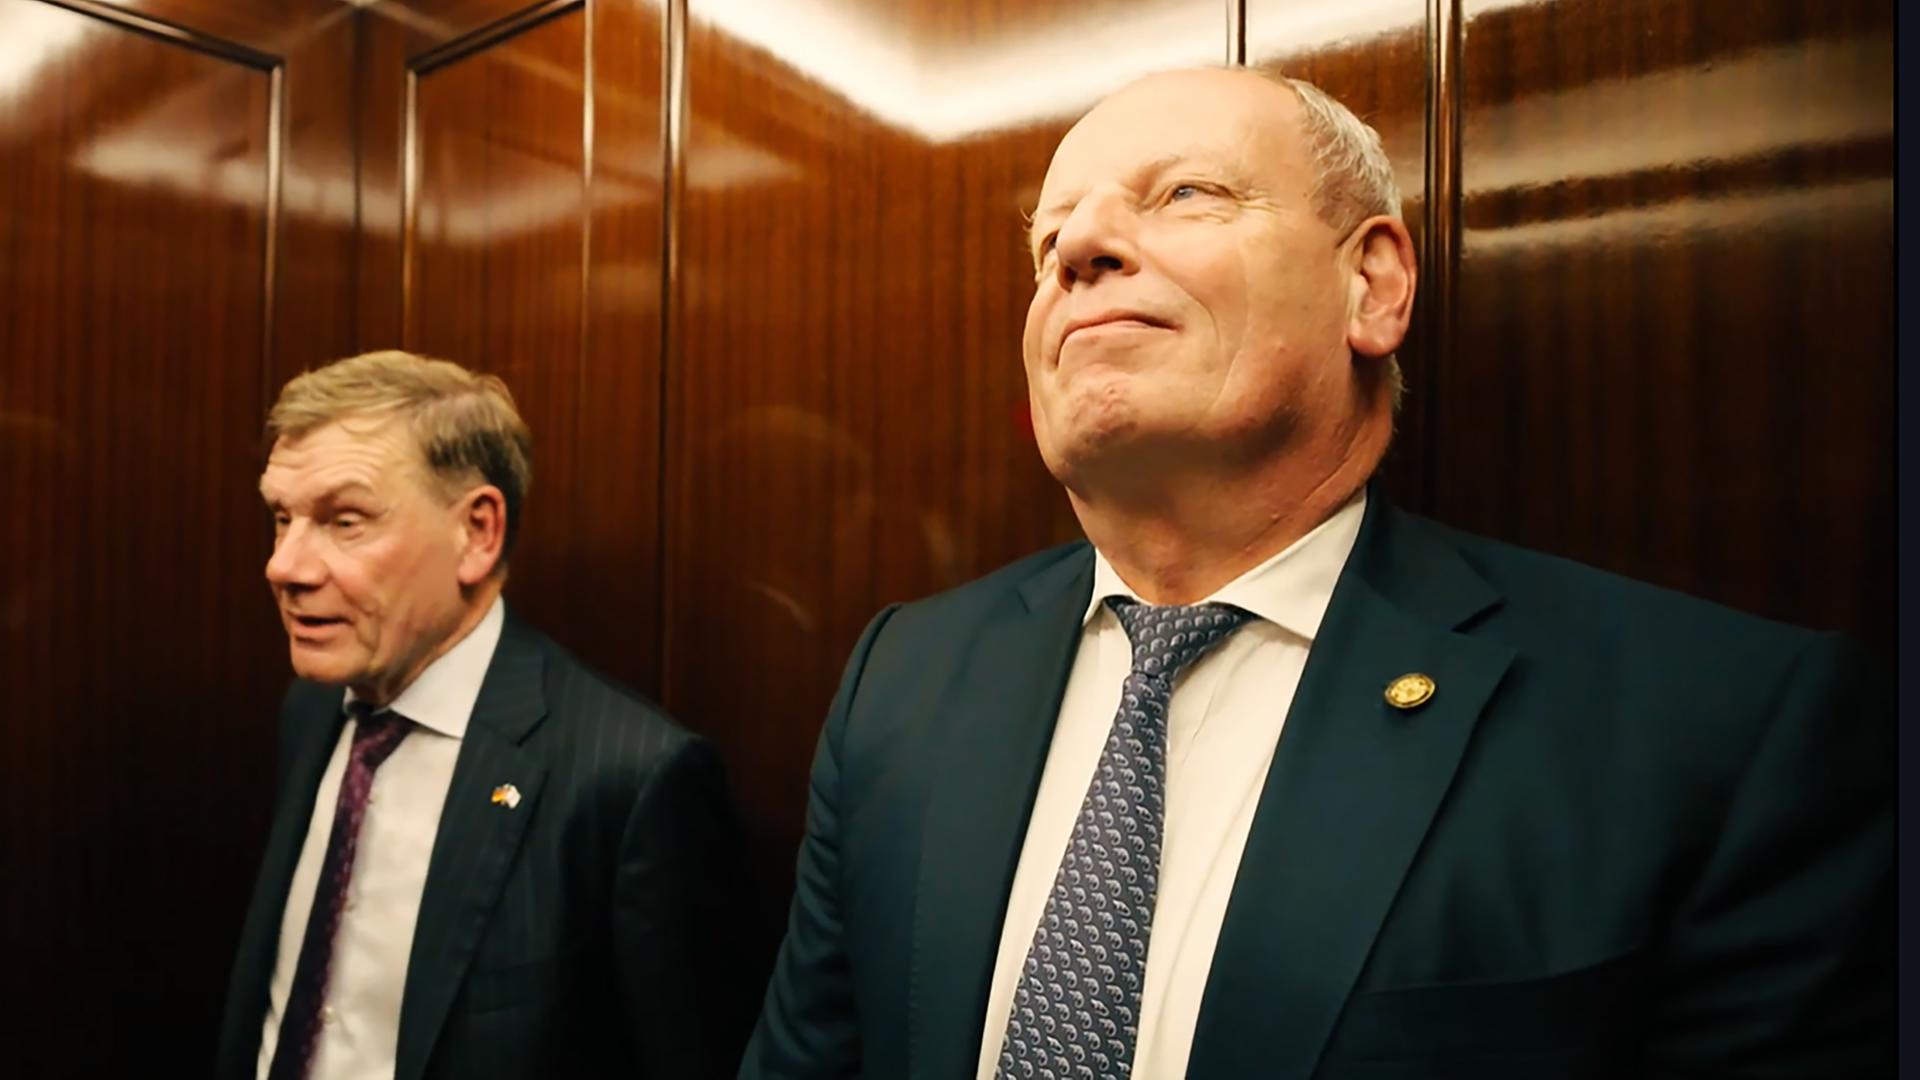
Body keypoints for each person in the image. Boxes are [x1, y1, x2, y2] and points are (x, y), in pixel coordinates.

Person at [739, 68, 1892, 1078]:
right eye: (1050, 243)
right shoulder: (905, 677)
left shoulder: (1714, 731)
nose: (1077, 253)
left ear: (1373, 286)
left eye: (1184, 193)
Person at [217, 350, 742, 1079]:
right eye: (282, 517)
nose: (286, 566)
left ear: (478, 533)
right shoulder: (311, 711)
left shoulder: (626, 778)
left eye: (344, 520)